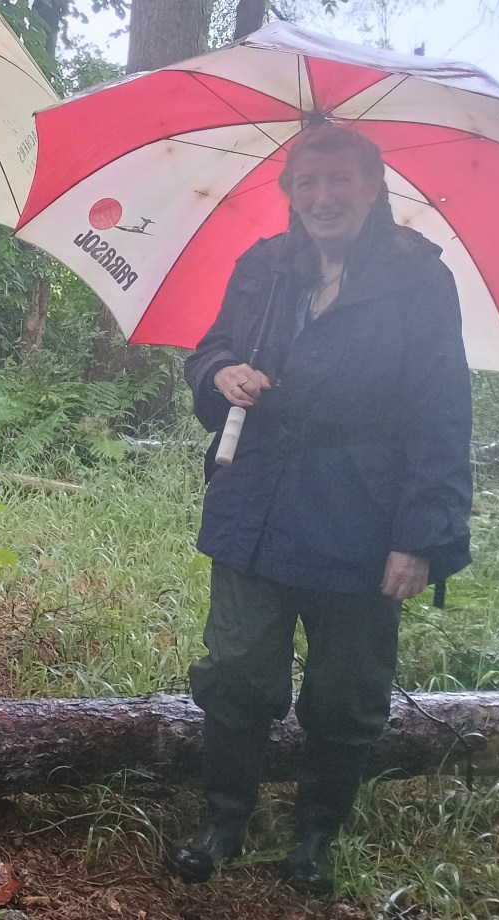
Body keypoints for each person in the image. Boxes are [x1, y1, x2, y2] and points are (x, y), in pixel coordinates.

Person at [168, 123, 472, 895]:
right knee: (236, 669)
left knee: (346, 693)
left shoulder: (418, 280)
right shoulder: (264, 268)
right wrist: (222, 374)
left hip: (363, 519)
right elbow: (209, 350)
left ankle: (314, 835)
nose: (324, 197)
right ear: (290, 192)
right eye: (308, 182)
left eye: (341, 181)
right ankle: (225, 819)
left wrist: (421, 535)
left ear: (373, 188)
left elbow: (442, 411)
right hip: (257, 502)